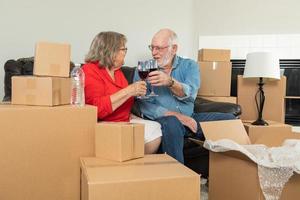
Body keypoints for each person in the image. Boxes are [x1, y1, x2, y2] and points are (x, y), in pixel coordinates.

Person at [133, 28, 235, 163]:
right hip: (164, 120)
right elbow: (143, 104)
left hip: (191, 117)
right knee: (172, 122)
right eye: (152, 47)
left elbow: (190, 94)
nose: (153, 53)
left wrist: (170, 82)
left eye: (159, 48)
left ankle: (226, 170)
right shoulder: (144, 68)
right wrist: (177, 116)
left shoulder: (189, 66)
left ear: (173, 48)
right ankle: (178, 178)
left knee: (230, 120)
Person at [82, 31, 162, 154]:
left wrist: (132, 113)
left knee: (155, 128)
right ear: (111, 51)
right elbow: (97, 109)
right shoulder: (89, 70)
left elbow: (125, 103)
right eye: (123, 49)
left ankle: (136, 164)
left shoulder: (117, 71)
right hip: (104, 124)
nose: (125, 52)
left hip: (123, 121)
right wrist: (129, 90)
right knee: (150, 131)